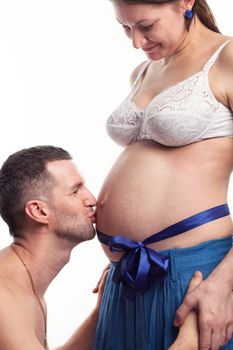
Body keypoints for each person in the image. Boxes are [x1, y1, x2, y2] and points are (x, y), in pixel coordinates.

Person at [94, 0, 233, 349]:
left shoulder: (228, 58)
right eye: (125, 28)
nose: (137, 43)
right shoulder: (143, 73)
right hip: (127, 278)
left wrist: (224, 283)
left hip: (199, 274)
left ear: (185, 2)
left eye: (146, 26)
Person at [0, 145, 108, 350]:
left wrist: (99, 313)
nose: (92, 200)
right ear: (39, 211)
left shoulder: (22, 285)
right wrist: (187, 340)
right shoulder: (4, 298)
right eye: (75, 191)